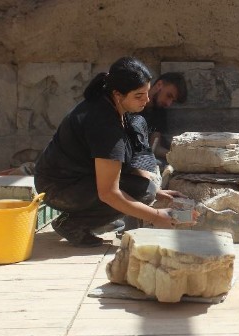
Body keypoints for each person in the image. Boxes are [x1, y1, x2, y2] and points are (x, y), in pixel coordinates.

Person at [34, 57, 191, 247]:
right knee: (142, 192)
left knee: (147, 189)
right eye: (139, 95)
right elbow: (109, 192)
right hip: (57, 188)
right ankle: (73, 224)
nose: (146, 100)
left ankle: (75, 221)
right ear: (118, 94)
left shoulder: (116, 109)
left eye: (147, 93)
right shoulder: (104, 123)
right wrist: (157, 216)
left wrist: (157, 192)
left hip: (74, 180)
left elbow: (128, 164)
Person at [140, 72, 188, 172]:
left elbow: (155, 147)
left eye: (173, 101)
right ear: (159, 85)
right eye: (169, 96)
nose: (168, 103)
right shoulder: (132, 104)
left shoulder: (159, 112)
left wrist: (181, 157)